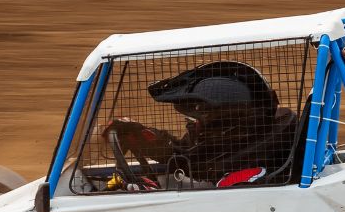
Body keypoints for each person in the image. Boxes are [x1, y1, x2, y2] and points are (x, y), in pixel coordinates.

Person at [103, 60, 298, 188]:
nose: (194, 126)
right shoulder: (243, 146)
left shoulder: (244, 178)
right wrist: (146, 139)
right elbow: (188, 157)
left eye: (198, 120)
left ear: (226, 123)